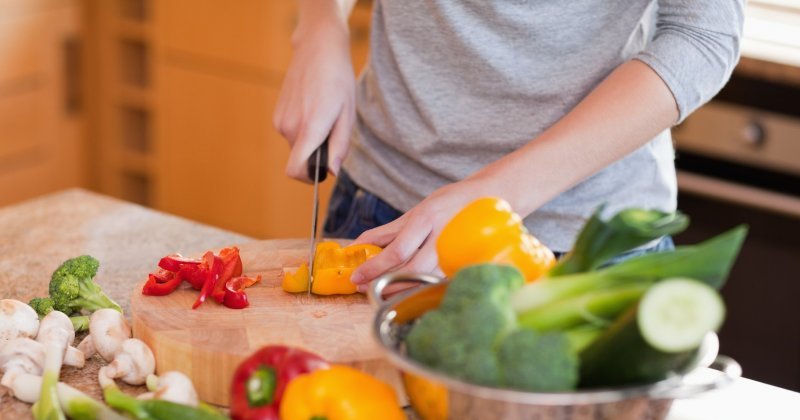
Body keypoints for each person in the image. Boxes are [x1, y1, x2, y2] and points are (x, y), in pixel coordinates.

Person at [273, 0, 744, 290]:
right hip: (386, 212)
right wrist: (320, 27)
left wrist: (495, 195)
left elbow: (703, 34)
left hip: (585, 248)